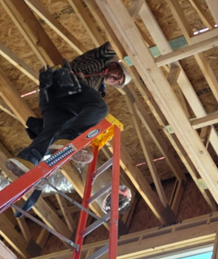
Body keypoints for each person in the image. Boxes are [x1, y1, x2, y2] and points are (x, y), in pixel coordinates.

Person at [7, 42, 130, 174]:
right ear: (114, 65)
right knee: (100, 108)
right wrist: (130, 48)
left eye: (118, 82)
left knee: (53, 132)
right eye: (119, 75)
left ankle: (27, 159)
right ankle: (68, 138)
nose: (115, 80)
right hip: (66, 84)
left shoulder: (99, 90)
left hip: (54, 100)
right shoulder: (99, 59)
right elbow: (112, 44)